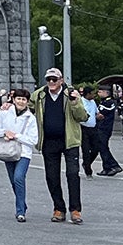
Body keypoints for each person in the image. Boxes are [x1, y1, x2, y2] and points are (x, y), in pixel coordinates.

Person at [29, 68, 85, 224]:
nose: (51, 82)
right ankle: (59, 208)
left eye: (54, 79)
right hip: (49, 141)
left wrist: (75, 103)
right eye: (49, 80)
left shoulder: (71, 94)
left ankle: (75, 210)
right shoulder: (39, 95)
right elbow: (25, 106)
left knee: (73, 174)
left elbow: (82, 116)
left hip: (69, 140)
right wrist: (9, 105)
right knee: (52, 176)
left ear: (61, 80)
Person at [0, 90, 37, 221]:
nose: (21, 102)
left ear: (27, 102)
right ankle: (22, 204)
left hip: (23, 153)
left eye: (24, 100)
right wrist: (5, 133)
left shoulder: (30, 118)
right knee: (13, 181)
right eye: (19, 99)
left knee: (18, 178)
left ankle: (20, 211)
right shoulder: (5, 112)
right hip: (9, 152)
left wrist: (16, 136)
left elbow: (33, 140)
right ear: (13, 99)